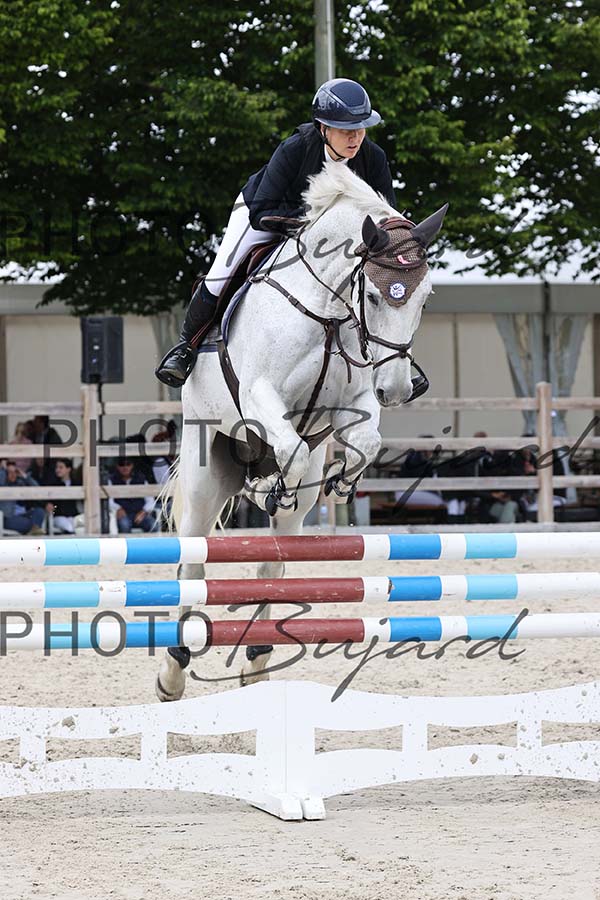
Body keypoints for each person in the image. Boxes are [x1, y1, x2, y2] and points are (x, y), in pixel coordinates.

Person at [156, 77, 396, 387]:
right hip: (265, 214)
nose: (355, 138)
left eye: (361, 129)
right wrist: (311, 223)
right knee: (220, 275)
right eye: (346, 130)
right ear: (323, 128)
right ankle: (186, 348)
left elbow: (385, 216)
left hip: (330, 237)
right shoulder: (296, 148)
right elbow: (261, 211)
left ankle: (396, 358)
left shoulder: (373, 158)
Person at [107, 458, 158, 533]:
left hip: (140, 513)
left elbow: (150, 500)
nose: (125, 467)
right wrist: (118, 508)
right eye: (121, 464)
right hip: (123, 514)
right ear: (117, 466)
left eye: (128, 464)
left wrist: (143, 512)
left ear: (132, 466)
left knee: (153, 525)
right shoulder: (111, 480)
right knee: (124, 526)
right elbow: (109, 501)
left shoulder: (141, 479)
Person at [0, 460, 45, 534]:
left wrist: (25, 476)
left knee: (40, 511)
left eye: (15, 471)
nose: (13, 474)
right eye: (9, 472)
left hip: (23, 515)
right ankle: (35, 528)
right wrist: (3, 470)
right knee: (32, 523)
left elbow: (37, 488)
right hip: (8, 518)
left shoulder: (19, 482)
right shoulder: (2, 485)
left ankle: (34, 529)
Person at [44, 458, 81, 534]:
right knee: (69, 527)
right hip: (58, 516)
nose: (57, 470)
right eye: (57, 467)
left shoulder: (76, 484)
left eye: (61, 467)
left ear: (68, 469)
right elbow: (49, 502)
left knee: (77, 525)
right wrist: (48, 505)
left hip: (73, 516)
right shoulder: (53, 484)